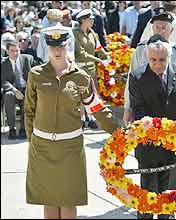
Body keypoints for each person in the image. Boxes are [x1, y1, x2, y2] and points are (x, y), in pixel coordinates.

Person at [24, 24, 120, 219]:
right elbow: (29, 110)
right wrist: (31, 141)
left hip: (70, 147)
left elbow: (96, 108)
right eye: (53, 47)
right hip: (42, 147)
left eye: (61, 46)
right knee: (49, 200)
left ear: (68, 45)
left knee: (68, 201)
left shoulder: (81, 77)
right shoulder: (36, 74)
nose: (57, 51)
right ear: (47, 47)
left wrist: (120, 132)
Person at [129, 36, 176, 219]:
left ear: (170, 57)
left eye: (162, 60)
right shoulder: (137, 75)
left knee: (168, 197)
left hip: (175, 146)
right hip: (149, 144)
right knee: (148, 197)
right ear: (147, 57)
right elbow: (139, 109)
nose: (157, 64)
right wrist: (159, 132)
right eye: (153, 60)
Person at [123, 13, 176, 126]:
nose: (160, 31)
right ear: (152, 28)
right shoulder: (140, 50)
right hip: (146, 112)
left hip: (173, 114)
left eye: (164, 28)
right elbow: (131, 81)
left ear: (171, 30)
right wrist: (127, 108)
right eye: (157, 27)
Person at [73, 9, 108, 129]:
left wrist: (109, 57)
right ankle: (82, 120)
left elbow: (99, 49)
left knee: (92, 94)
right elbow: (82, 53)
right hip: (80, 69)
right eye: (90, 19)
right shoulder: (75, 33)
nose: (93, 21)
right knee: (81, 95)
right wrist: (100, 61)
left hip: (91, 69)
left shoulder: (93, 33)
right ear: (83, 20)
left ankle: (91, 117)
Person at [2, 41, 35, 139]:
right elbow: (3, 81)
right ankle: (12, 129)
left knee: (28, 95)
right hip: (12, 89)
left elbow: (36, 74)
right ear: (7, 51)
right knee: (8, 95)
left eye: (17, 50)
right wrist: (15, 90)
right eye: (12, 51)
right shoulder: (3, 63)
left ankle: (23, 129)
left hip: (25, 88)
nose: (15, 53)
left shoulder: (28, 59)